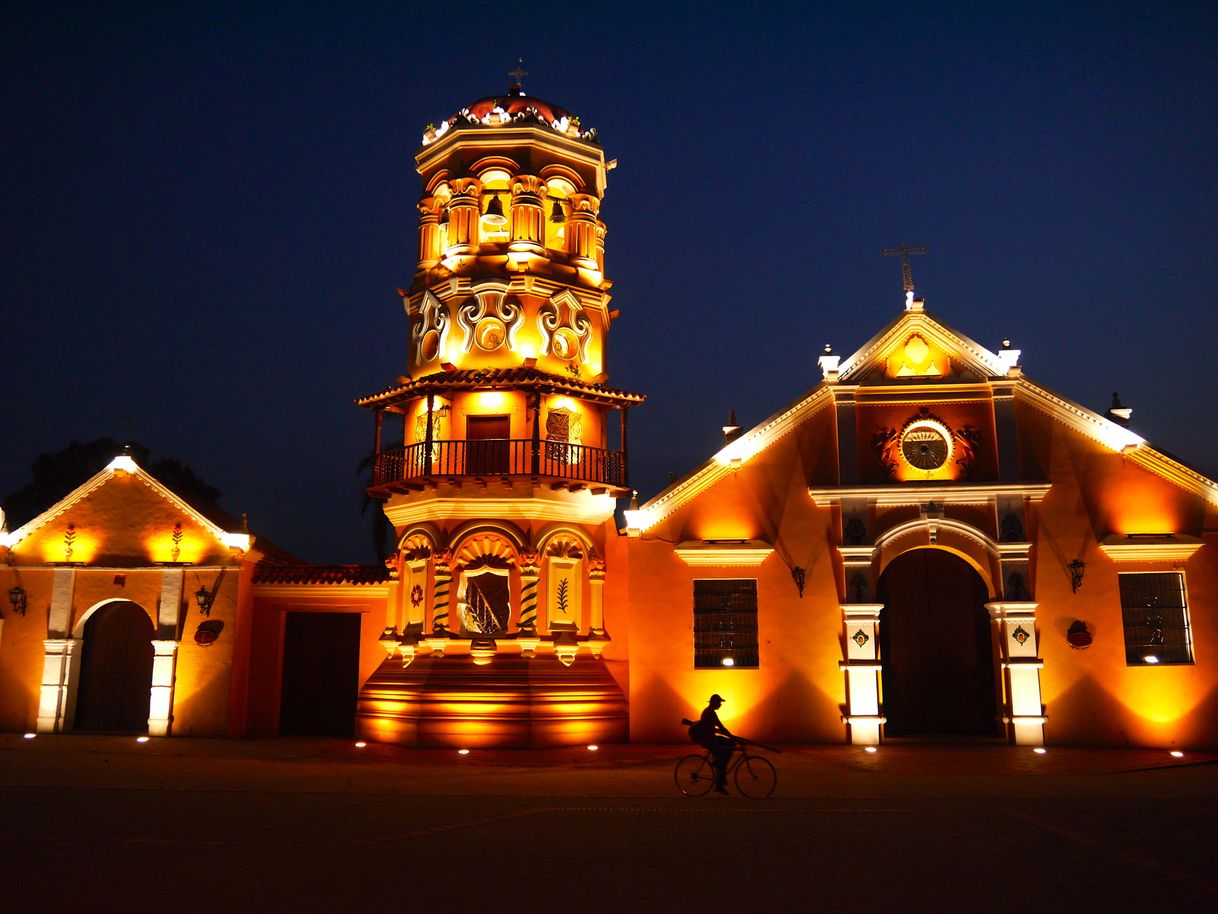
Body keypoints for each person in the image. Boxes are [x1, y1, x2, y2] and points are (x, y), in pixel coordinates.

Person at [690, 693, 735, 794]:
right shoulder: (709, 713)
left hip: (712, 738)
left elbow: (719, 727)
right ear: (714, 703)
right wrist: (731, 736)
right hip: (708, 740)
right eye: (719, 702)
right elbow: (721, 727)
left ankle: (719, 763)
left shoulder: (710, 712)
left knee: (731, 744)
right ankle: (719, 785)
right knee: (723, 757)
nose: (720, 705)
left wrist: (731, 737)